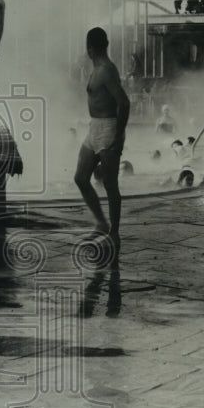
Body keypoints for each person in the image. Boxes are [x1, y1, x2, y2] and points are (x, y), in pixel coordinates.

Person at [74, 27, 129, 253]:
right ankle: (101, 223)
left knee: (110, 184)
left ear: (90, 49)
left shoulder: (106, 70)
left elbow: (123, 102)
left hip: (108, 128)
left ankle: (114, 232)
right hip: (94, 127)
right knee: (80, 178)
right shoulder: (97, 68)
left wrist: (118, 134)